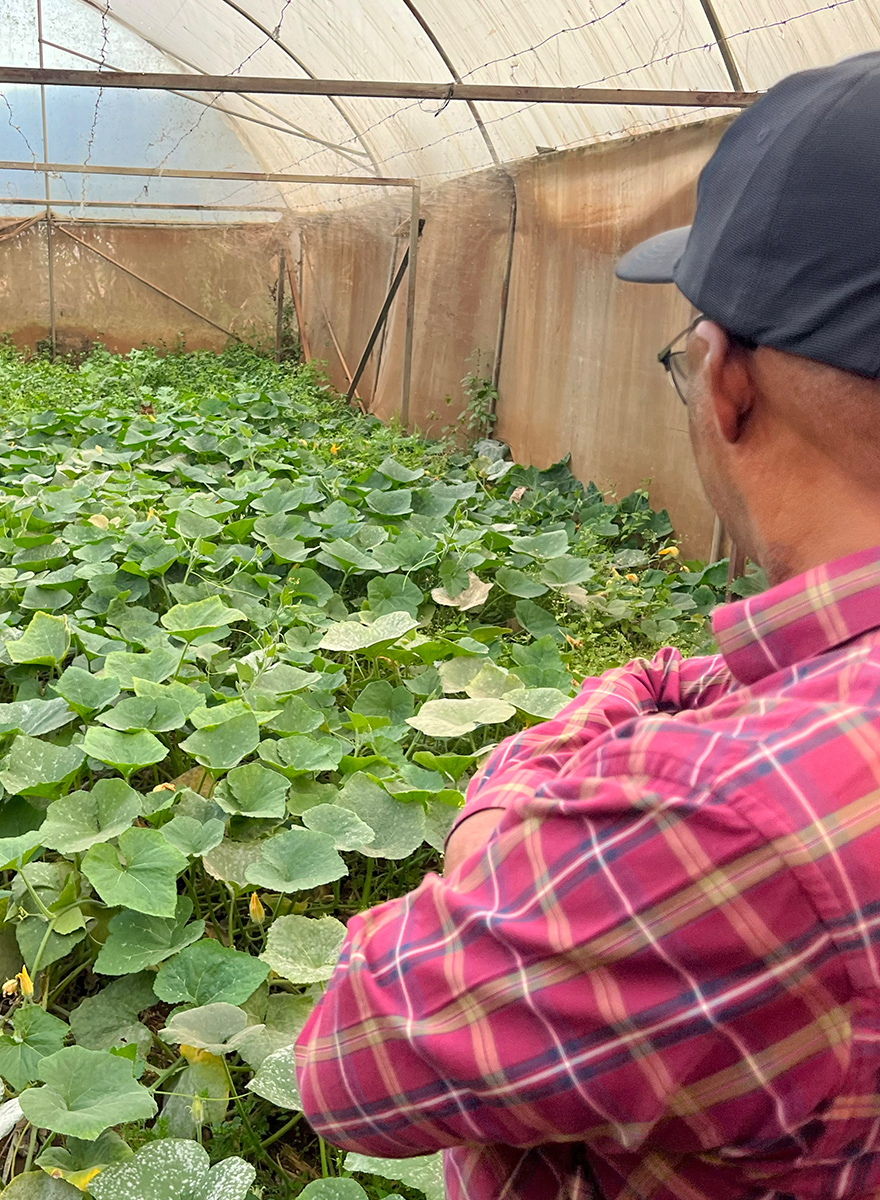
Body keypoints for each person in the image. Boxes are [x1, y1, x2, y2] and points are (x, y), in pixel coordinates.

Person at [295, 51, 880, 1200]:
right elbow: (685, 676)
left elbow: (351, 1060)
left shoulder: (731, 821)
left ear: (724, 384)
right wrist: (630, 716)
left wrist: (497, 827)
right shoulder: (812, 720)